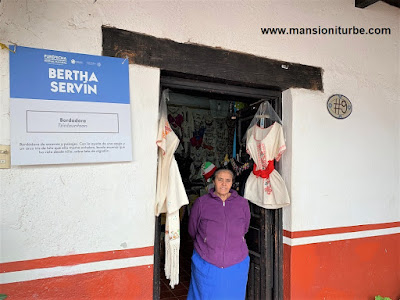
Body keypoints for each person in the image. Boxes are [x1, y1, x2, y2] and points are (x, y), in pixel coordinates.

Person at [187, 168, 251, 300]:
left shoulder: (242, 203)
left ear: (232, 183)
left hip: (236, 262)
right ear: (213, 181)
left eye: (228, 180)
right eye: (220, 179)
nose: (224, 184)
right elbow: (192, 230)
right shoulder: (201, 203)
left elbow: (244, 228)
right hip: (208, 261)